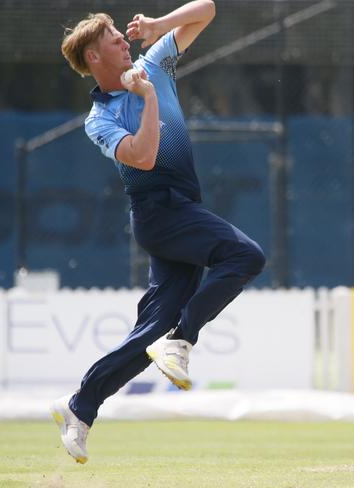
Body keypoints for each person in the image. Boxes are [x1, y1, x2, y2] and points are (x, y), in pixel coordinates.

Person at [50, 0, 266, 464]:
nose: (125, 44)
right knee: (246, 257)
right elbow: (144, 159)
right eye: (114, 41)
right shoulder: (99, 120)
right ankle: (183, 340)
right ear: (93, 58)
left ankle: (81, 407)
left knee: (151, 332)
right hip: (159, 216)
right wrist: (147, 98)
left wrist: (159, 24)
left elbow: (206, 9)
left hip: (183, 209)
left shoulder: (154, 62)